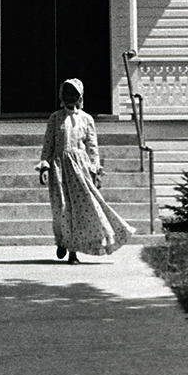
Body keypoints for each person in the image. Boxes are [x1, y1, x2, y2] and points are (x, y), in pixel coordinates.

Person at [37, 77, 136, 262]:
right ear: (62, 95)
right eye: (67, 93)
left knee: (80, 209)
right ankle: (62, 241)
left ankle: (73, 251)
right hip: (59, 167)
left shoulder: (86, 119)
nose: (70, 97)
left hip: (80, 168)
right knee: (62, 208)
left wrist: (95, 170)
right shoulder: (55, 118)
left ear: (80, 96)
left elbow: (92, 147)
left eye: (74, 94)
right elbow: (47, 145)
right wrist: (44, 166)